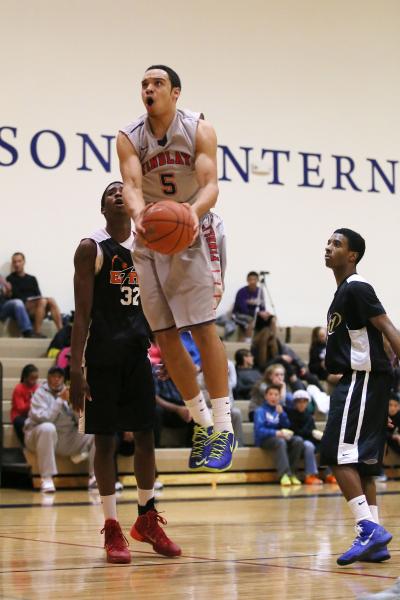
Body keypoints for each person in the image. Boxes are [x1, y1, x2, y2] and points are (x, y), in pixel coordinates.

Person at [117, 64, 236, 472]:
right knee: (165, 336)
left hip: (194, 229)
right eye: (144, 84)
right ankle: (202, 424)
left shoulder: (198, 129)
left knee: (202, 327)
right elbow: (131, 187)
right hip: (151, 232)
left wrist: (187, 216)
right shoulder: (129, 136)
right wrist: (140, 218)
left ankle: (223, 426)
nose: (149, 89)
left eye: (158, 83)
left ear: (176, 92)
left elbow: (210, 186)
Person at [70, 181, 180, 565]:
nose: (118, 194)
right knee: (105, 441)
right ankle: (112, 525)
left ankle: (147, 518)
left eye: (122, 190)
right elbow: (81, 314)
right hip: (100, 357)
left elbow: (158, 304)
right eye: (109, 192)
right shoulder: (91, 248)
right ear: (103, 207)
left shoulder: (147, 248)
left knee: (146, 437)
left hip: (137, 356)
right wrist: (74, 370)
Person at [320, 228, 400, 566]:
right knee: (363, 465)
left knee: (336, 455)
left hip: (361, 381)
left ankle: (366, 528)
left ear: (352, 255)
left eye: (337, 244)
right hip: (367, 382)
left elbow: (387, 328)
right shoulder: (344, 291)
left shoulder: (356, 287)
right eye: (328, 242)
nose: (328, 247)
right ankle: (376, 539)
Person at [24, 366, 95, 493]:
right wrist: (59, 401)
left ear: (63, 379)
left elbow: (79, 421)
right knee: (47, 428)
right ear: (48, 378)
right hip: (37, 436)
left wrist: (75, 407)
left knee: (94, 432)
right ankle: (46, 478)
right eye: (53, 376)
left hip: (64, 438)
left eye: (59, 377)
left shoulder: (69, 392)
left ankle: (94, 477)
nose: (56, 379)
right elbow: (45, 419)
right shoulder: (39, 393)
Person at [254, 384, 304, 486]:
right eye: (271, 394)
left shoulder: (280, 410)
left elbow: (287, 425)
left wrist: (282, 415)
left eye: (276, 395)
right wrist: (276, 433)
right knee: (280, 442)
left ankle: (293, 474)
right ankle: (284, 474)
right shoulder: (260, 411)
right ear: (266, 396)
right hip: (265, 440)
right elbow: (259, 431)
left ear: (279, 397)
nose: (273, 397)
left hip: (280, 437)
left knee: (298, 440)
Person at [286, 390, 337, 485]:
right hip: (298, 442)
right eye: (299, 401)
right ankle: (310, 475)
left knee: (329, 443)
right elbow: (295, 431)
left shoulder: (309, 416)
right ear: (295, 403)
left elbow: (312, 430)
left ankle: (330, 474)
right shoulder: (290, 415)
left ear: (307, 403)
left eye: (304, 401)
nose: (301, 404)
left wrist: (319, 436)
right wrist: (311, 432)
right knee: (309, 446)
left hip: (309, 439)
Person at [7, 252, 62, 336]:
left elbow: (38, 294)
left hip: (37, 304)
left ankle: (61, 331)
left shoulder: (32, 278)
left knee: (50, 300)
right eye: (14, 262)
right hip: (24, 307)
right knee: (42, 301)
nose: (17, 264)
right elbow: (14, 298)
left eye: (19, 261)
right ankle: (37, 332)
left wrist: (38, 301)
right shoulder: (10, 278)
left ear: (24, 262)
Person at [232, 271, 272, 341]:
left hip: (254, 314)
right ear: (247, 280)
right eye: (250, 279)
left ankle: (271, 340)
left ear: (258, 280)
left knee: (271, 319)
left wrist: (264, 313)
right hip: (239, 314)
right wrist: (258, 313)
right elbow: (243, 309)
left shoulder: (260, 291)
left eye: (254, 279)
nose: (252, 282)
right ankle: (248, 341)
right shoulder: (241, 291)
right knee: (251, 319)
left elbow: (262, 307)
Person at [11, 364, 39, 445]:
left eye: (36, 378)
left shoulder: (37, 387)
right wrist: (32, 400)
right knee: (24, 423)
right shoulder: (18, 388)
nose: (34, 381)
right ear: (25, 377)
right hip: (19, 415)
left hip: (33, 414)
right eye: (32, 378)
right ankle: (25, 445)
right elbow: (20, 408)